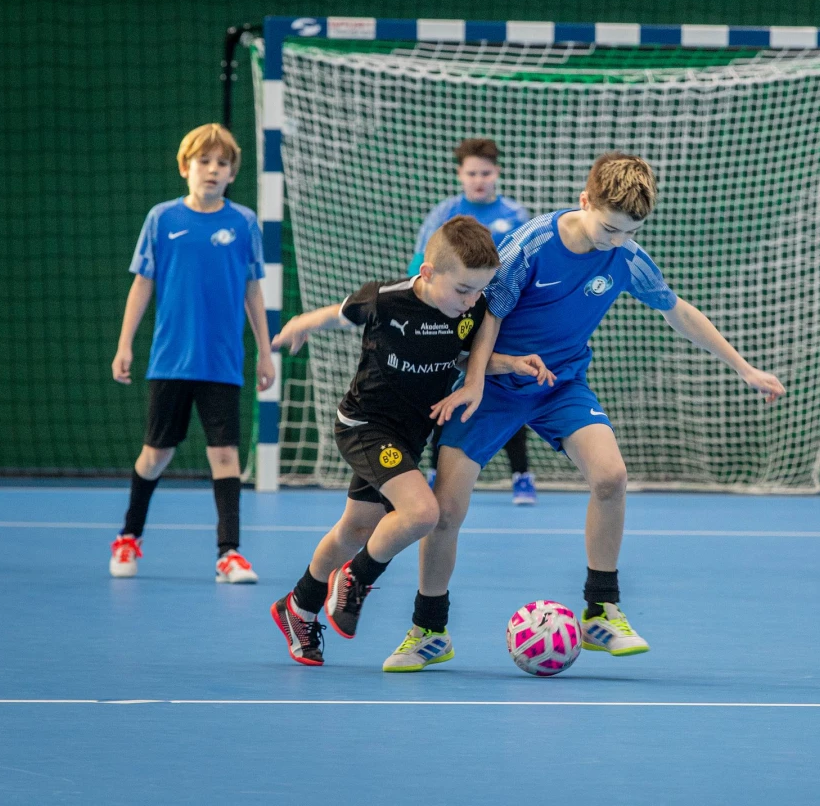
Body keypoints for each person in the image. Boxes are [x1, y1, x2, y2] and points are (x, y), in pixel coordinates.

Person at [380, 152, 786, 672]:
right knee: (447, 511)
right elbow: (488, 316)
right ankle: (429, 630)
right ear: (584, 201)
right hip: (496, 383)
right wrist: (477, 381)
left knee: (611, 476)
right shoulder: (532, 244)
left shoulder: (626, 256)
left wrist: (744, 368)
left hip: (560, 383)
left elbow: (678, 310)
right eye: (610, 228)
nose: (617, 240)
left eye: (630, 232)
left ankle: (600, 611)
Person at [268, 217, 549, 667]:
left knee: (355, 530)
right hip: (365, 425)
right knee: (423, 513)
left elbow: (462, 357)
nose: (472, 300)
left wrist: (511, 363)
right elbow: (338, 315)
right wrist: (302, 323)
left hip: (409, 435)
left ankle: (298, 606)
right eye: (463, 290)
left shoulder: (470, 310)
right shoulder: (386, 299)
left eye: (479, 291)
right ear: (428, 272)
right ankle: (356, 578)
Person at [109, 123, 274, 583]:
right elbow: (142, 285)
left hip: (222, 363)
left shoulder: (243, 223)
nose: (213, 170)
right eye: (204, 161)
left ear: (232, 173)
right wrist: (124, 344)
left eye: (222, 163)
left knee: (225, 456)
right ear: (185, 167)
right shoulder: (161, 219)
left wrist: (265, 352)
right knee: (155, 454)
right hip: (170, 361)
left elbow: (253, 291)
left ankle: (229, 554)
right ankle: (128, 537)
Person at [409, 138, 537, 505]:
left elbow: (527, 268)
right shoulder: (444, 214)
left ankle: (521, 475)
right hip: (452, 315)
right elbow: (420, 262)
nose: (478, 180)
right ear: (459, 175)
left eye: (485, 173)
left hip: (498, 317)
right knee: (443, 388)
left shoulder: (516, 215)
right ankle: (436, 470)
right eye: (472, 173)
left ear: (497, 173)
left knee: (505, 387)